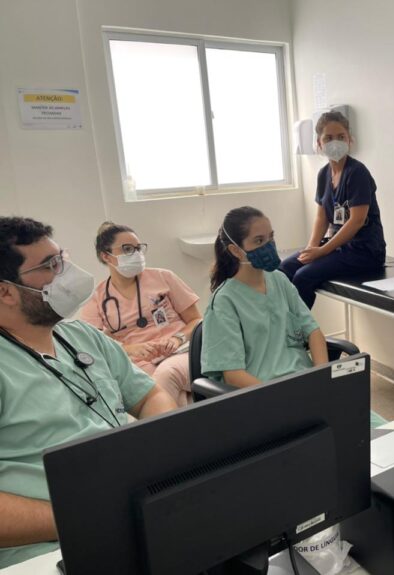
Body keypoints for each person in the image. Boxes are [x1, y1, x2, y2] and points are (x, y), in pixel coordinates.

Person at [0, 216, 177, 568]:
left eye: (60, 258)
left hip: (138, 515)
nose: (66, 272)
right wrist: (84, 517)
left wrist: (160, 449)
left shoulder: (82, 336)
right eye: (50, 266)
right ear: (5, 291)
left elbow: (150, 396)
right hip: (51, 548)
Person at [202, 207, 330, 387]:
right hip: (263, 396)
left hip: (305, 383)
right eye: (259, 240)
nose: (269, 245)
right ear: (236, 250)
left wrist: (322, 376)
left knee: (362, 413)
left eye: (271, 237)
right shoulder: (224, 301)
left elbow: (313, 331)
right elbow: (233, 374)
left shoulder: (279, 280)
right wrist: (280, 398)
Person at [81, 222, 202, 406]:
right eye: (127, 249)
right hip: (139, 362)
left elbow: (196, 320)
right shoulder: (98, 298)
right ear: (105, 256)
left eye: (138, 248)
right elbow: (91, 343)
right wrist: (130, 349)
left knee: (166, 375)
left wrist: (177, 338)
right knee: (160, 389)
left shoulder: (163, 277)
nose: (136, 254)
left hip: (181, 352)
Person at [279, 111, 386, 308]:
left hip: (364, 251)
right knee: (284, 268)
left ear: (350, 140)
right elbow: (322, 217)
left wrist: (321, 252)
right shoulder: (323, 175)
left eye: (340, 137)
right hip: (338, 248)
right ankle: (281, 326)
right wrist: (311, 248)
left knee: (303, 277)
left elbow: (356, 221)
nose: (335, 142)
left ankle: (297, 334)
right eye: (328, 138)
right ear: (319, 143)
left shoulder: (357, 173)